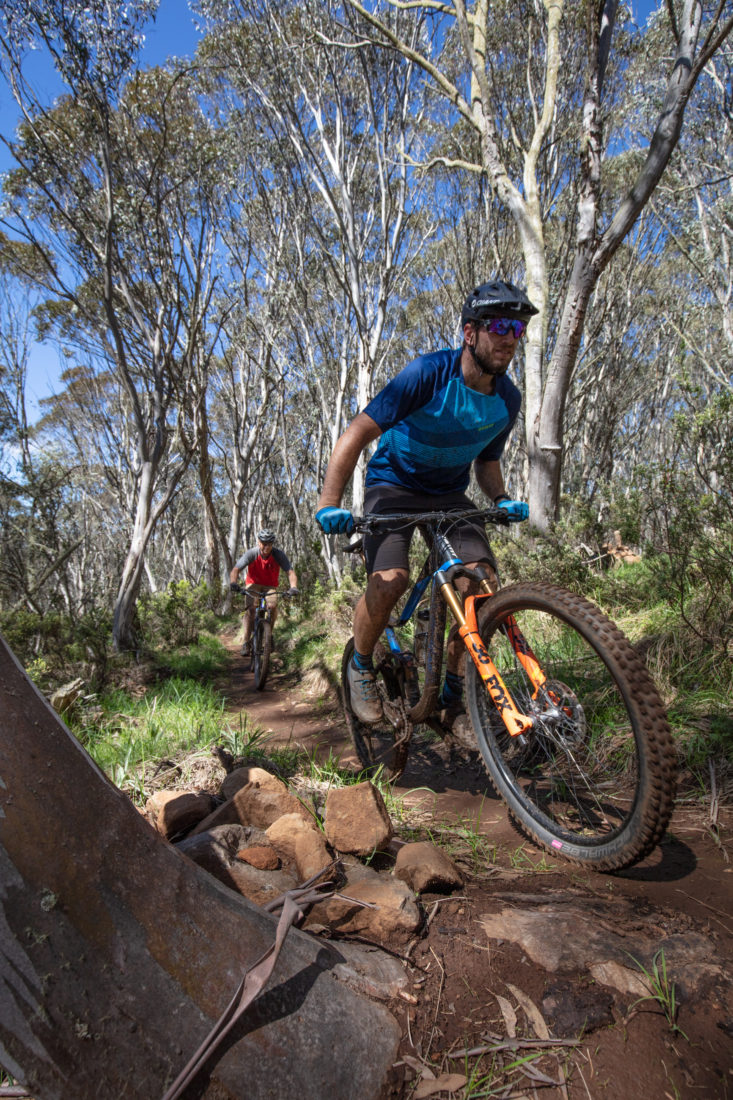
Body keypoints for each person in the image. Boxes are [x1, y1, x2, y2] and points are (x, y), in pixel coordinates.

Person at [315, 278, 537, 725]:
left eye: (517, 329)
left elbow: (488, 461)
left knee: (479, 582)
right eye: (498, 325)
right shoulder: (427, 374)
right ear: (469, 333)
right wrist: (329, 503)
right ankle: (360, 664)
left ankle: (454, 694)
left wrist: (500, 496)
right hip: (392, 485)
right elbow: (357, 434)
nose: (509, 338)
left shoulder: (507, 399)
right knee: (392, 579)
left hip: (448, 494)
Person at [229, 529, 299, 656]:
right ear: (259, 542)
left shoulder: (278, 555)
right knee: (251, 610)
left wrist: (293, 587)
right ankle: (246, 642)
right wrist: (234, 583)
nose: (266, 546)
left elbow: (290, 572)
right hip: (253, 584)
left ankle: (268, 635)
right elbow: (236, 570)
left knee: (272, 607)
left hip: (270, 586)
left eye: (269, 544)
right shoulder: (252, 554)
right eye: (264, 543)